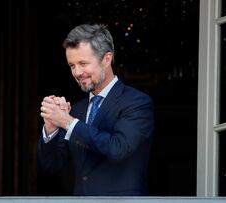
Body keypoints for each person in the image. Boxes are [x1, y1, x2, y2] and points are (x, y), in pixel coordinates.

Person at [38, 23, 154, 196]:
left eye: (83, 63)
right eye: (72, 65)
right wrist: (51, 128)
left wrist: (68, 122)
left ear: (107, 59)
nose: (77, 72)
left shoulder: (137, 102)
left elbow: (118, 149)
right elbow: (51, 167)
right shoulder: (76, 110)